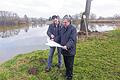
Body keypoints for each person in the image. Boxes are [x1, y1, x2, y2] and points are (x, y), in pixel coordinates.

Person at [60, 15, 77, 80]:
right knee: (66, 64)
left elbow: (72, 39)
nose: (64, 24)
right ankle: (67, 74)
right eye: (63, 22)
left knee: (70, 65)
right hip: (64, 50)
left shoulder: (73, 29)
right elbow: (60, 37)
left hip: (70, 51)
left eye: (65, 22)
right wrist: (53, 40)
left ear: (69, 22)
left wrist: (67, 46)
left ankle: (70, 77)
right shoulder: (62, 28)